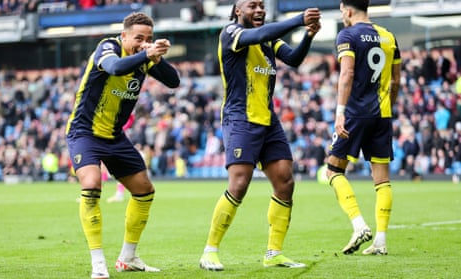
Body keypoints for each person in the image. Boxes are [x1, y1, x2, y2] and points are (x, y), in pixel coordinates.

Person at [199, 0, 321, 271]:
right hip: (240, 117)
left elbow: (294, 59)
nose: (259, 9)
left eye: (262, 5)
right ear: (237, 10)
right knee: (240, 183)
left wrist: (308, 35)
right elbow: (260, 34)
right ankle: (210, 250)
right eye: (252, 5)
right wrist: (299, 19)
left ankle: (274, 252)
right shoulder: (231, 33)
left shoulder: (269, 40)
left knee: (285, 182)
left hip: (268, 118)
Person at [65, 12, 180, 279]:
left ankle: (128, 257)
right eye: (139, 38)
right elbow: (116, 68)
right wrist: (146, 54)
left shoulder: (145, 58)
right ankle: (98, 263)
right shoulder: (108, 47)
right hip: (85, 132)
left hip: (115, 136)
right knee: (92, 184)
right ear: (124, 35)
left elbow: (174, 81)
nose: (144, 43)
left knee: (144, 190)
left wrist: (157, 57)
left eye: (149, 38)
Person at [325, 0, 401, 256]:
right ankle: (380, 241)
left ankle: (359, 225)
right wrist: (387, 107)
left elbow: (346, 74)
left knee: (333, 170)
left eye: (341, 11)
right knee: (382, 180)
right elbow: (396, 80)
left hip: (356, 114)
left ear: (347, 10)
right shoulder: (389, 37)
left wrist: (339, 113)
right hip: (382, 114)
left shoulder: (347, 35)